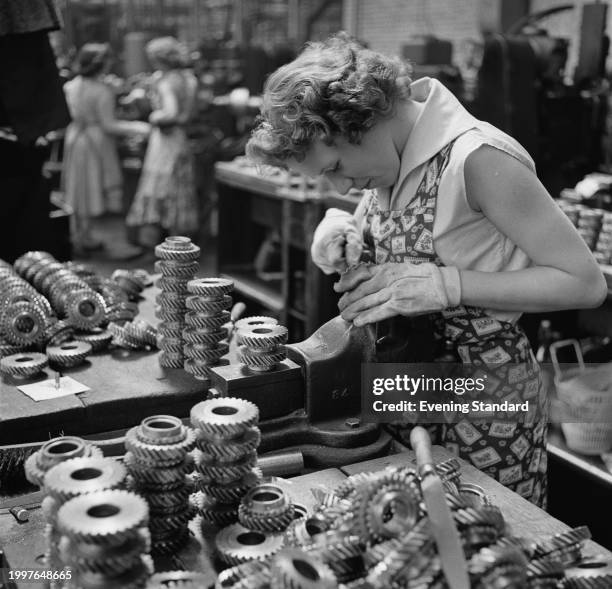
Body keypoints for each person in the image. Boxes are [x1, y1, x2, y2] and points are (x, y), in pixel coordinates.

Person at [245, 32, 607, 507]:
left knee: (484, 537)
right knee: (404, 529)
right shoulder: (389, 162)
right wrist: (340, 233)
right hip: (406, 377)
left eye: (335, 167)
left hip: (483, 393)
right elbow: (383, 237)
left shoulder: (476, 159)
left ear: (364, 119)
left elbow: (585, 283)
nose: (344, 186)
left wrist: (447, 284)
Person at [62, 43, 150, 254]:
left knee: (78, 187)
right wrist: (140, 128)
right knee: (91, 185)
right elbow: (108, 125)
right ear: (101, 64)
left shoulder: (71, 86)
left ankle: (82, 235)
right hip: (94, 141)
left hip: (75, 137)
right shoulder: (101, 91)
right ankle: (84, 237)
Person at [126, 37, 199, 248]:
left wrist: (154, 117)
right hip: (181, 138)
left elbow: (170, 112)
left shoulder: (167, 82)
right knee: (177, 192)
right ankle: (181, 247)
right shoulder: (188, 78)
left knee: (157, 190)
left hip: (165, 142)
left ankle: (151, 248)